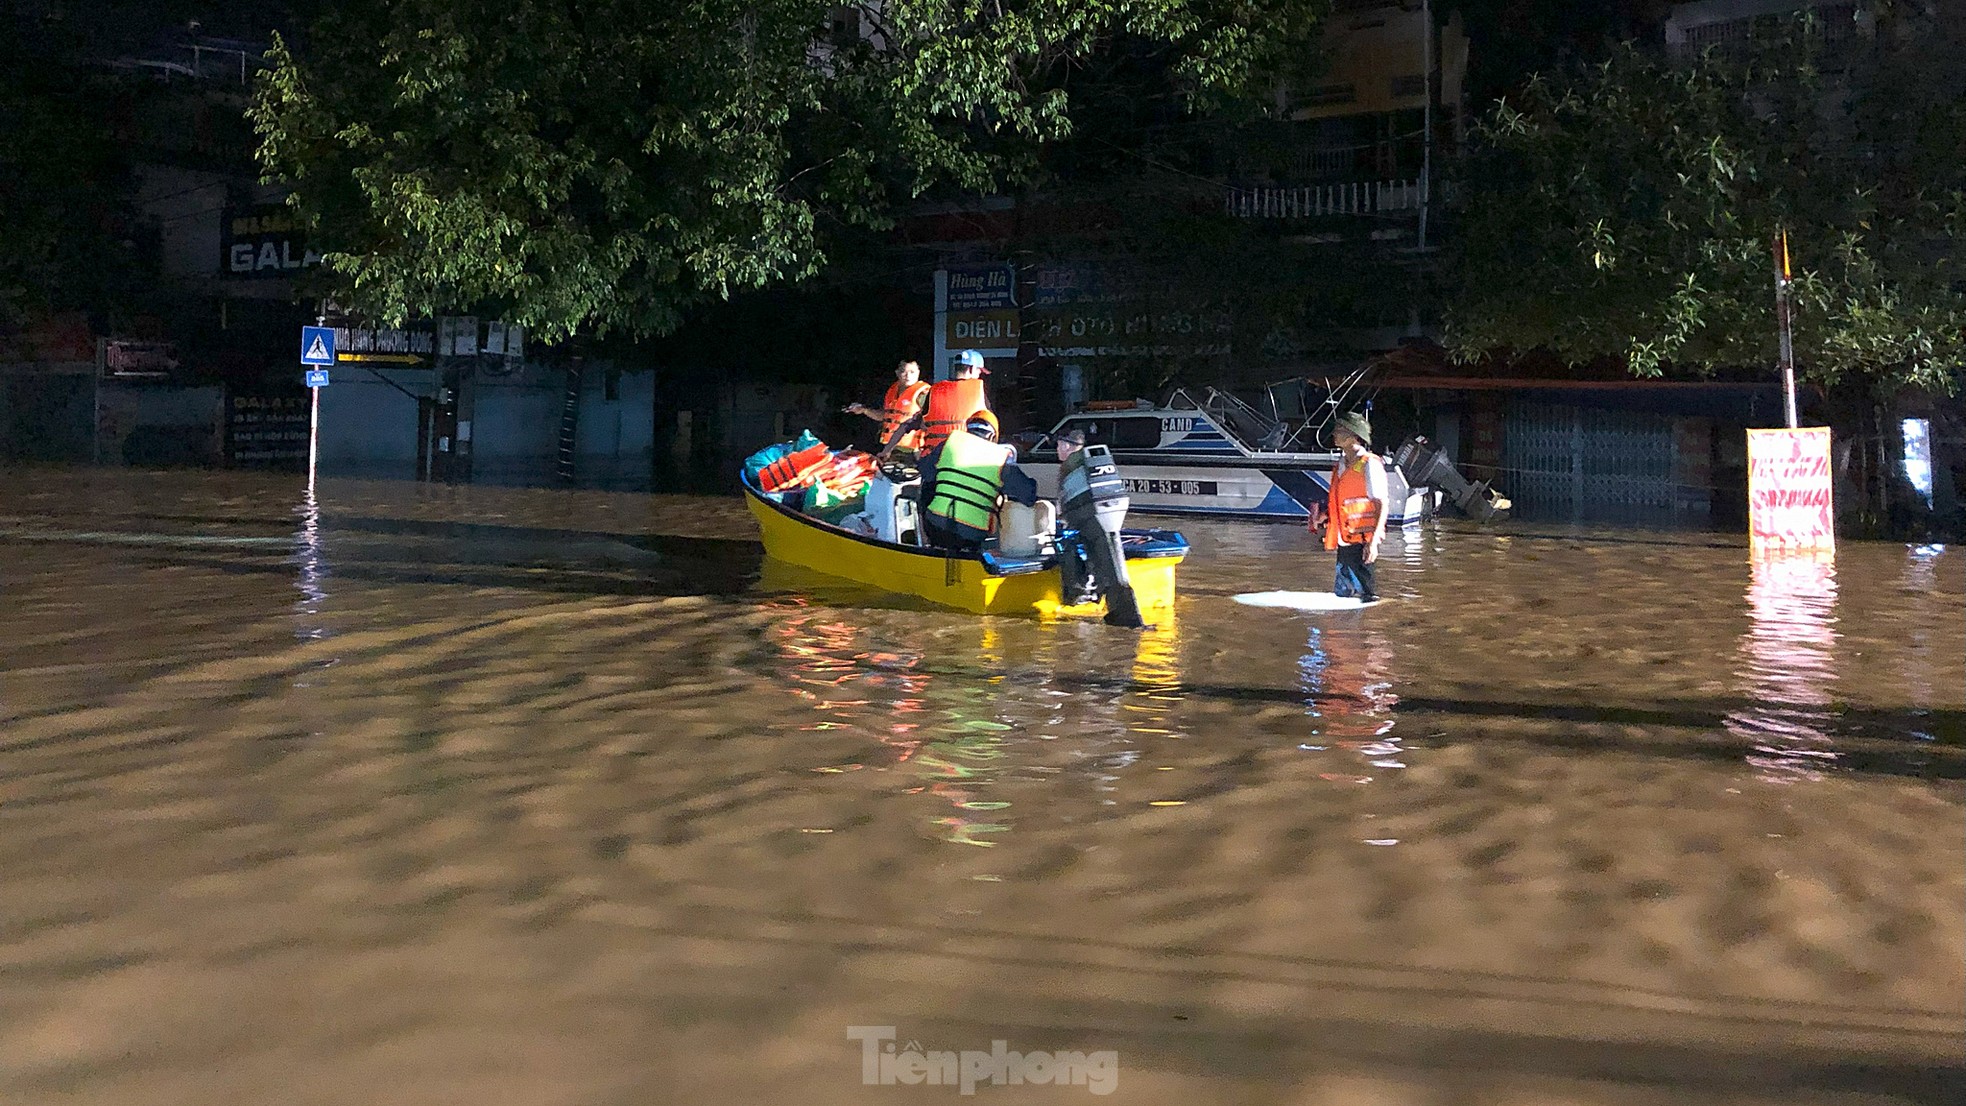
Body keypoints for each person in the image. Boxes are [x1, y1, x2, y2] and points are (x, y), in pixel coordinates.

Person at [920, 415, 1031, 552]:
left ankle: (925, 546)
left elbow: (925, 471)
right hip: (972, 533)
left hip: (936, 526)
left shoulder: (948, 444)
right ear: (992, 436)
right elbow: (1028, 495)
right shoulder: (1000, 456)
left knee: (927, 488)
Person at [1315, 410, 1388, 602]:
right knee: (1344, 597)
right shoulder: (1341, 464)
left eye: (1340, 429)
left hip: (1363, 541)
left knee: (1367, 597)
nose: (1335, 433)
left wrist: (1373, 543)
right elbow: (1343, 501)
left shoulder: (1369, 465)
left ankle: (1368, 630)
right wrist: (1325, 516)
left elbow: (1382, 503)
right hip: (1345, 539)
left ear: (1354, 436)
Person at [880, 349, 995, 460]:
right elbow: (990, 427)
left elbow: (907, 425)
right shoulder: (978, 392)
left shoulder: (933, 391)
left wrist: (886, 450)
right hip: (964, 457)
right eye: (979, 371)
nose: (980, 374)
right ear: (971, 369)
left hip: (934, 460)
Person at [844, 360, 931, 458]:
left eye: (912, 372)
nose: (908, 376)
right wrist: (864, 410)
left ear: (918, 372)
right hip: (890, 447)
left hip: (913, 449)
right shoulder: (892, 391)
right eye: (904, 371)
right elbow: (884, 416)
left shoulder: (923, 393)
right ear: (897, 372)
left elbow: (931, 420)